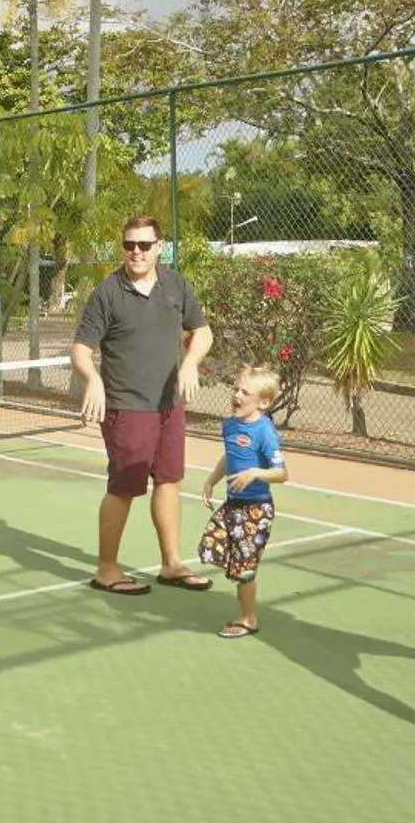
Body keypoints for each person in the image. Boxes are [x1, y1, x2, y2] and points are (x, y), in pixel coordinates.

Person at [71, 215, 214, 595]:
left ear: (159, 247)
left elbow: (201, 331)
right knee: (124, 488)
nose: (136, 252)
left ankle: (171, 564)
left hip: (169, 406)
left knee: (169, 480)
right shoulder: (108, 292)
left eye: (144, 245)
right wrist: (93, 380)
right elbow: (81, 349)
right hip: (126, 407)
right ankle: (106, 570)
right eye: (129, 245)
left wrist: (190, 363)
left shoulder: (175, 285)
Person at [199, 365, 289, 639]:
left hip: (257, 510)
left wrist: (255, 473)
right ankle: (238, 567)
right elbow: (230, 456)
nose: (237, 395)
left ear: (262, 402)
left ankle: (248, 618)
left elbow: (282, 473)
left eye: (245, 392)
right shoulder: (229, 425)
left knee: (244, 570)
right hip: (232, 505)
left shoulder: (265, 432)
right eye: (235, 389)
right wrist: (211, 480)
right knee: (210, 542)